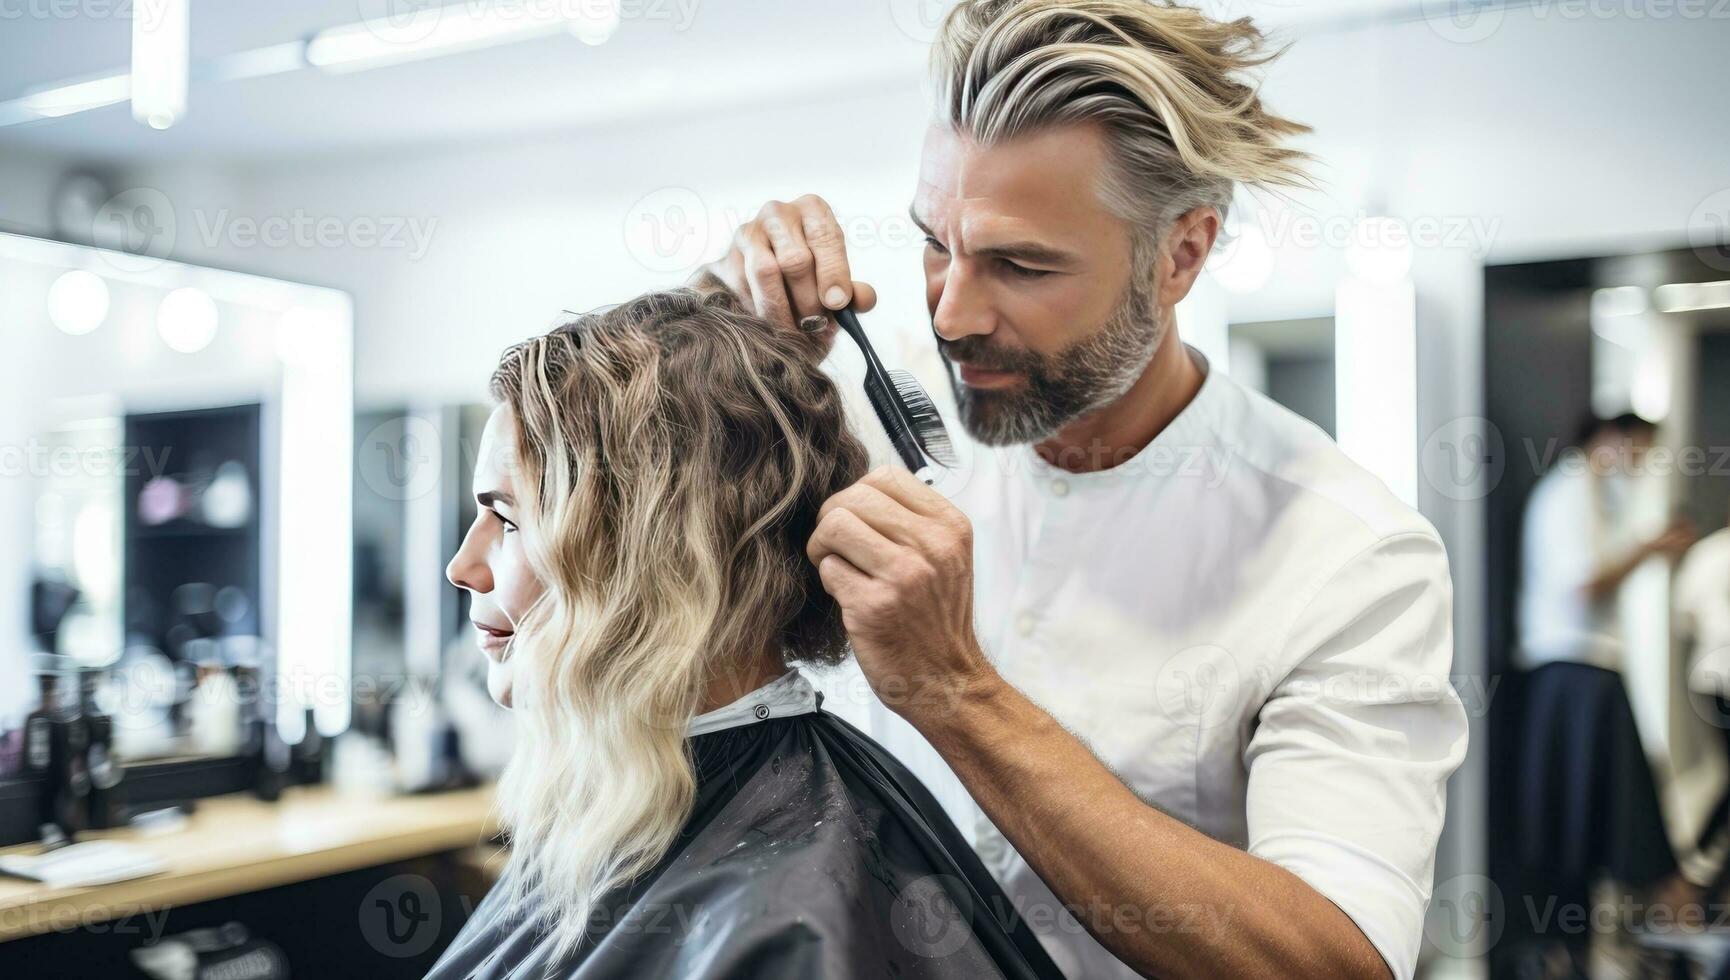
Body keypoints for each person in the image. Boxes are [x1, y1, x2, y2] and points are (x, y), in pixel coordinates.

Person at [693, 1, 1468, 977]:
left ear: (1181, 251)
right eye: (935, 242)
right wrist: (719, 326)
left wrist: (954, 691)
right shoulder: (865, 412)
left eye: (1019, 264)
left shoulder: (1346, 554)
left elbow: (1331, 960)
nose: (953, 312)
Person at [430, 289, 1062, 979]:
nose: (461, 567)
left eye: (510, 520)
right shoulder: (661, 808)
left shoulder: (788, 917)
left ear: (661, 559)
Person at [1518, 413, 1695, 670]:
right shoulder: (1570, 493)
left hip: (1588, 654)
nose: (1639, 464)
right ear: (1608, 438)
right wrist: (1648, 550)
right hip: (1572, 654)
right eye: (1637, 451)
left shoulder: (1598, 495)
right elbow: (1586, 586)